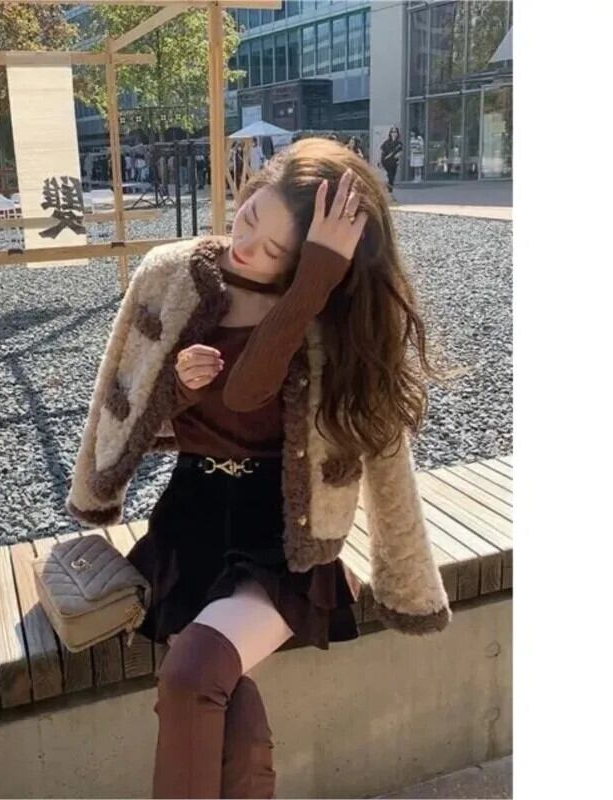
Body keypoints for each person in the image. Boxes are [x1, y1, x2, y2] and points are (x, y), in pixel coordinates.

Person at [66, 137, 451, 798]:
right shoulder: (172, 274)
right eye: (247, 218)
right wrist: (174, 394)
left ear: (315, 260)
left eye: (274, 250)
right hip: (187, 522)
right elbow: (121, 392)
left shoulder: (338, 318)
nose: (244, 246)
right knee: (220, 692)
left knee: (193, 676)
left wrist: (311, 286)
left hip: (282, 538)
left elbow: (362, 446)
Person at [379, 126, 403, 194]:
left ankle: (389, 190)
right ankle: (389, 191)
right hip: (386, 162)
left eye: (395, 132)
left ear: (397, 133)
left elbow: (400, 151)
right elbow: (382, 152)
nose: (394, 133)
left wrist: (399, 155)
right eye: (392, 132)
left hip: (394, 162)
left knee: (392, 177)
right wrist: (380, 162)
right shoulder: (386, 142)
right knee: (390, 176)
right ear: (390, 133)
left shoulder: (399, 143)